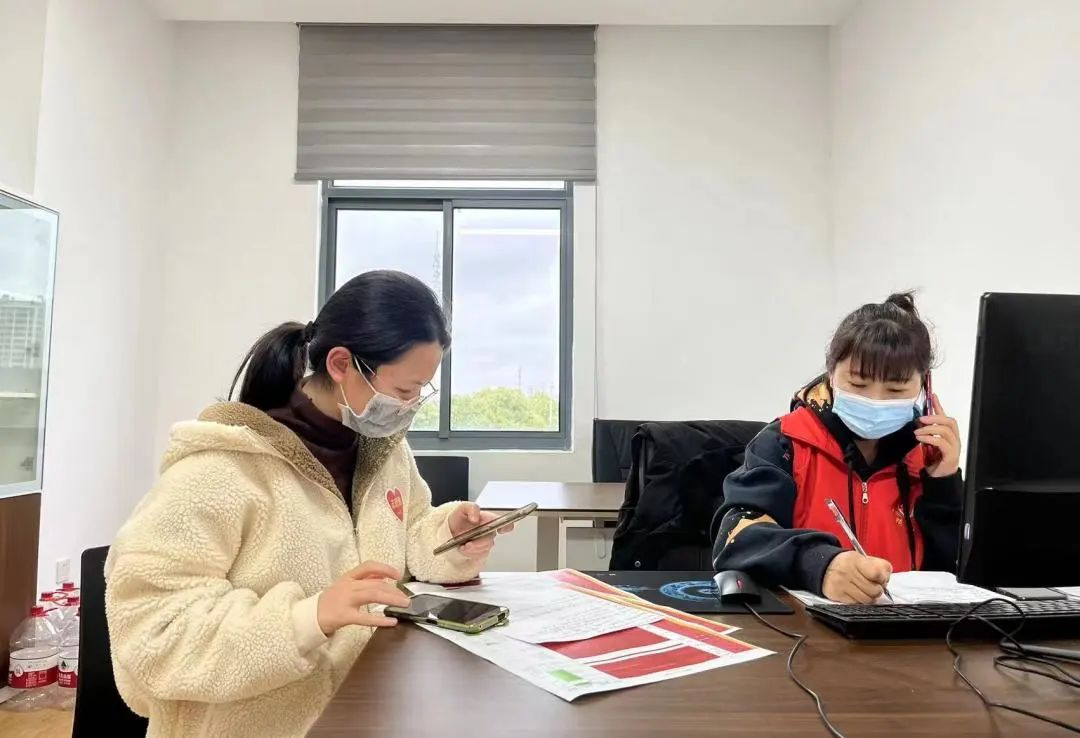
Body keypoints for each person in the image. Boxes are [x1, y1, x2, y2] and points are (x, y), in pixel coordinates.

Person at [106, 270, 515, 737]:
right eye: (405, 390)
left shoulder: (383, 452)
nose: (412, 405)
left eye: (423, 389)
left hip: (367, 712)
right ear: (341, 364)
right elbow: (152, 635)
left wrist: (450, 535)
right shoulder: (219, 470)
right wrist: (309, 617)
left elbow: (409, 538)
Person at [711, 292, 962, 604]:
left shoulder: (927, 455)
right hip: (802, 626)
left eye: (896, 389)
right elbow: (736, 537)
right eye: (858, 384)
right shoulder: (786, 442)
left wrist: (944, 485)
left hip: (907, 628)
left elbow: (954, 575)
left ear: (924, 387)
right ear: (831, 374)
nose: (875, 400)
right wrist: (820, 564)